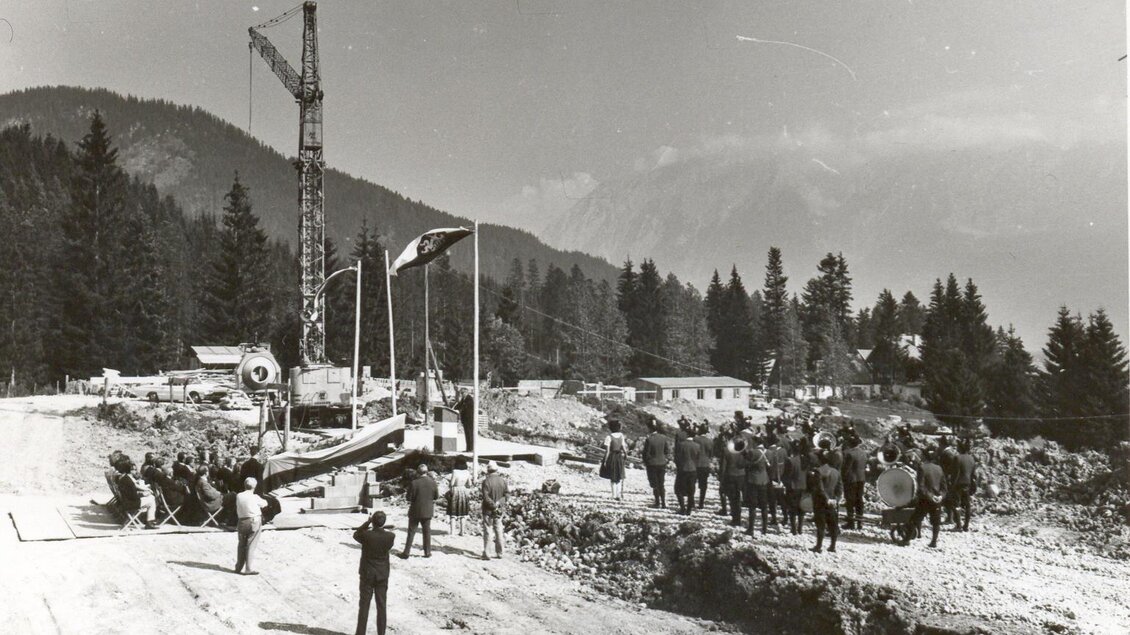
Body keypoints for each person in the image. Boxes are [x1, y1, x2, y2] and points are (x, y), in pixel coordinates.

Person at [354, 510, 395, 635]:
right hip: (382, 574)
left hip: (367, 573)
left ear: (373, 522)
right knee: (381, 606)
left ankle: (360, 633)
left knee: (364, 605)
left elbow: (356, 534)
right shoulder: (390, 536)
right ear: (384, 522)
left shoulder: (366, 535)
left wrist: (367, 522)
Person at [908, 448, 946, 548]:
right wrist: (940, 496)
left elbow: (921, 486)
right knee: (936, 522)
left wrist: (930, 496)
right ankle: (933, 542)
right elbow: (944, 486)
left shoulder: (922, 468)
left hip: (925, 499)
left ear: (924, 456)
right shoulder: (939, 468)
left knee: (914, 519)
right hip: (937, 500)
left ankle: (906, 540)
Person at [400, 464, 438, 558]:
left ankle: (406, 552)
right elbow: (436, 496)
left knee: (411, 532)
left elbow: (409, 498)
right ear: (427, 471)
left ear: (418, 472)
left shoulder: (414, 483)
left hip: (415, 510)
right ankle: (427, 552)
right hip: (427, 511)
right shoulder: (433, 482)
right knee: (427, 532)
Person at [808, 450, 842, 553]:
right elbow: (840, 488)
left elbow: (820, 488)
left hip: (821, 501)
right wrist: (836, 499)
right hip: (832, 502)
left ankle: (818, 546)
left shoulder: (819, 471)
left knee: (821, 524)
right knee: (833, 524)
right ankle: (833, 546)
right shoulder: (836, 472)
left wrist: (826, 499)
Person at [235, 477, 269, 574]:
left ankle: (238, 567)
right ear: (254, 487)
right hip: (253, 521)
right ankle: (248, 568)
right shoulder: (255, 497)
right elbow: (264, 504)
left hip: (241, 522)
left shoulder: (239, 496)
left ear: (244, 485)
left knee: (241, 544)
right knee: (251, 544)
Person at [116, 457, 157, 529]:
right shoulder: (127, 480)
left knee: (150, 498)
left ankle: (149, 520)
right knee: (152, 499)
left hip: (126, 502)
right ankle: (149, 522)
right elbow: (134, 496)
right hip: (131, 504)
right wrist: (143, 494)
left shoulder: (123, 478)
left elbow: (130, 492)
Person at [744, 434, 772, 535]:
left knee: (753, 505)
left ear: (755, 442)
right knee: (764, 505)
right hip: (764, 480)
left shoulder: (752, 452)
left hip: (753, 480)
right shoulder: (769, 452)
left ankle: (751, 529)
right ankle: (764, 529)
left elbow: (745, 464)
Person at [640, 418, 672, 509]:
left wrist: (646, 462)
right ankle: (663, 503)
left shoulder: (649, 439)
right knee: (661, 483)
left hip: (652, 464)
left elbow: (646, 453)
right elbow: (667, 451)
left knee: (655, 484)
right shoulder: (663, 438)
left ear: (650, 428)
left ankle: (657, 502)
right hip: (662, 463)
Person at [480, 461, 509, 560]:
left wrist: (493, 505)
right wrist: (499, 503)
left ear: (488, 470)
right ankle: (500, 552)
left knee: (488, 530)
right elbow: (507, 495)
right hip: (499, 509)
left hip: (488, 509)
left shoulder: (486, 481)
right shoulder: (503, 481)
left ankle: (487, 553)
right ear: (497, 470)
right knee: (499, 530)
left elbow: (485, 497)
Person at [720, 430, 748, 527]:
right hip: (741, 476)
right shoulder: (744, 452)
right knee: (738, 498)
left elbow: (723, 467)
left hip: (730, 475)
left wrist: (721, 479)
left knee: (732, 498)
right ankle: (738, 518)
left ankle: (735, 519)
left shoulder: (726, 451)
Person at [840, 433, 868, 531]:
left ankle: (851, 522)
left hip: (851, 479)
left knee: (850, 501)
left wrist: (841, 478)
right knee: (859, 500)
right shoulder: (863, 452)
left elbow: (846, 468)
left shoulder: (848, 453)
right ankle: (860, 522)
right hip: (861, 478)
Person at [673, 426, 702, 515]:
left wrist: (678, 466)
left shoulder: (681, 445)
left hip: (683, 469)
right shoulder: (697, 446)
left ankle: (682, 508)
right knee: (691, 490)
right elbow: (698, 458)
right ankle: (689, 509)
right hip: (693, 469)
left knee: (678, 489)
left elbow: (677, 457)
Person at [782, 438, 807, 535]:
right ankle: (800, 528)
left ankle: (793, 529)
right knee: (801, 508)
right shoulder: (805, 460)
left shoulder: (790, 461)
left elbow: (787, 475)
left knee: (792, 508)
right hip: (803, 485)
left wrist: (784, 483)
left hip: (793, 486)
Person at [952, 438, 977, 532]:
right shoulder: (971, 458)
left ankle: (958, 525)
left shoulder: (957, 458)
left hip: (958, 484)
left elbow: (955, 474)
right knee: (967, 506)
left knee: (956, 504)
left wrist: (952, 486)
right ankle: (966, 526)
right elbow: (974, 475)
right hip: (968, 484)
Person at [447, 457, 473, 536]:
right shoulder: (467, 472)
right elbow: (469, 484)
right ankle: (462, 531)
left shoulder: (455, 471)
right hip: (464, 490)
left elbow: (451, 483)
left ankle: (452, 532)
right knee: (463, 512)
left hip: (455, 490)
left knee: (453, 512)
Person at [602, 419, 627, 500]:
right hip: (619, 456)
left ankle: (614, 495)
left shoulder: (609, 437)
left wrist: (605, 461)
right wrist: (626, 455)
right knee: (619, 476)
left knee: (613, 476)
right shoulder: (621, 436)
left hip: (612, 457)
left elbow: (607, 451)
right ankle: (619, 495)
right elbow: (624, 448)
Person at [713, 422, 733, 516]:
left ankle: (724, 509)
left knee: (722, 489)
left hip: (724, 465)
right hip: (734, 466)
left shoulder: (719, 439)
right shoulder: (734, 439)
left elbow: (716, 452)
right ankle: (733, 510)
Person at [693, 421, 713, 510]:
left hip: (695, 464)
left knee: (692, 483)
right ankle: (701, 503)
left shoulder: (695, 439)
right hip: (705, 464)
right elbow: (711, 454)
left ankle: (691, 501)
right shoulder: (709, 441)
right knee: (703, 485)